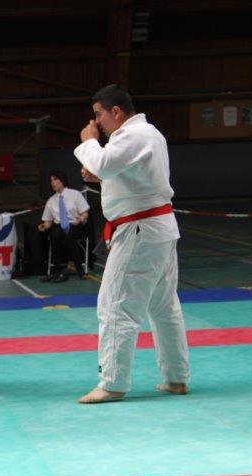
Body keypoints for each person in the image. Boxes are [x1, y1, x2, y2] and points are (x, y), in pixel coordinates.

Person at [72, 84, 190, 404]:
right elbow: (133, 178)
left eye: (99, 115)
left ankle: (112, 383)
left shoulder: (132, 134)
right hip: (157, 229)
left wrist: (88, 141)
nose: (97, 122)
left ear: (116, 111)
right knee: (163, 307)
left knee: (115, 305)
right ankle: (176, 377)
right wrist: (103, 178)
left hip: (140, 231)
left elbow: (103, 162)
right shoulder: (150, 134)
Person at [38, 170, 90, 282]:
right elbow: (48, 222)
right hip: (60, 226)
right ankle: (57, 272)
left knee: (69, 237)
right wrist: (44, 226)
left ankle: (80, 271)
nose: (53, 183)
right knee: (54, 236)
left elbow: (85, 213)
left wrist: (80, 219)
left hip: (75, 225)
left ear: (62, 181)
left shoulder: (75, 194)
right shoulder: (51, 200)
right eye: (51, 180)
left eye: (55, 179)